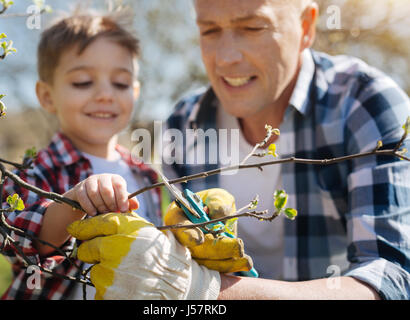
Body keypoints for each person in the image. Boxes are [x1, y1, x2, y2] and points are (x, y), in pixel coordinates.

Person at [70, 0, 410, 300]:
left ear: (306, 27)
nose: (226, 57)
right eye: (210, 30)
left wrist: (200, 292)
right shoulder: (184, 124)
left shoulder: (365, 105)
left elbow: (392, 279)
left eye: (252, 27)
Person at [0, 9, 165, 300]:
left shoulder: (145, 174)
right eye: (83, 81)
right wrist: (74, 201)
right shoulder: (35, 171)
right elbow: (17, 241)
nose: (105, 94)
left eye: (120, 83)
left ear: (134, 92)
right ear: (47, 96)